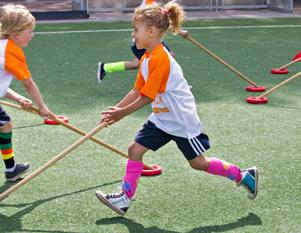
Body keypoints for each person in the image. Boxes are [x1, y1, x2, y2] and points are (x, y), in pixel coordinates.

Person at [95, 2, 259, 216]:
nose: (133, 34)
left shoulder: (161, 59)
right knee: (134, 150)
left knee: (198, 163)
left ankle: (243, 175)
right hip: (163, 118)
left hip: (181, 121)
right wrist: (116, 110)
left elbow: (147, 96)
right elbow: (137, 89)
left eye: (136, 30)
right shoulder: (146, 58)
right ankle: (124, 199)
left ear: (151, 31)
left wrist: (122, 114)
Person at [0, 4, 55, 182]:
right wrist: (43, 107)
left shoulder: (3, 45)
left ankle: (11, 169)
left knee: (5, 126)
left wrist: (17, 97)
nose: (32, 35)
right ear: (17, 34)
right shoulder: (11, 51)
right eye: (29, 32)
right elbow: (28, 83)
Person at [96, 0, 173, 84]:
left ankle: (106, 67)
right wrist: (178, 30)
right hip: (145, 38)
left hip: (147, 37)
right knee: (168, 56)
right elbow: (157, 22)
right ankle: (169, 84)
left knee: (136, 64)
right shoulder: (150, 4)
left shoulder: (152, 5)